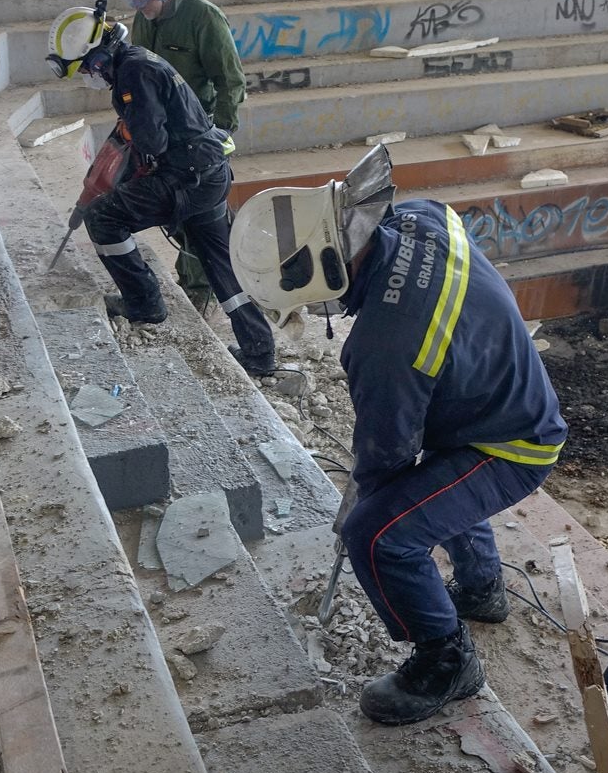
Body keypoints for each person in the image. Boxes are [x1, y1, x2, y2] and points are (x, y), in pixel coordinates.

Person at [227, 146, 568, 725]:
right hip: (494, 400)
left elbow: (386, 457)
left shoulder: (385, 347)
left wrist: (364, 499)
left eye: (309, 296)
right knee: (437, 482)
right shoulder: (420, 217)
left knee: (380, 535)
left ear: (326, 267)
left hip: (513, 444)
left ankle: (447, 659)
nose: (316, 308)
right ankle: (482, 589)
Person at [47, 1, 277, 376]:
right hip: (208, 173)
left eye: (85, 67)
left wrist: (121, 175)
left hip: (185, 177)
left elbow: (150, 142)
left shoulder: (132, 74)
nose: (87, 75)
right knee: (221, 263)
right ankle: (260, 352)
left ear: (98, 56)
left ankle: (144, 304)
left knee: (104, 217)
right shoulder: (137, 61)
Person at [115, 0, 247, 313]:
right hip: (162, 135)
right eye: (132, 0)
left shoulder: (203, 18)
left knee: (193, 215)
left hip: (199, 136)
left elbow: (231, 81)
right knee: (186, 215)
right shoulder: (144, 18)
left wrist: (220, 134)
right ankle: (238, 262)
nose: (139, 7)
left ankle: (198, 289)